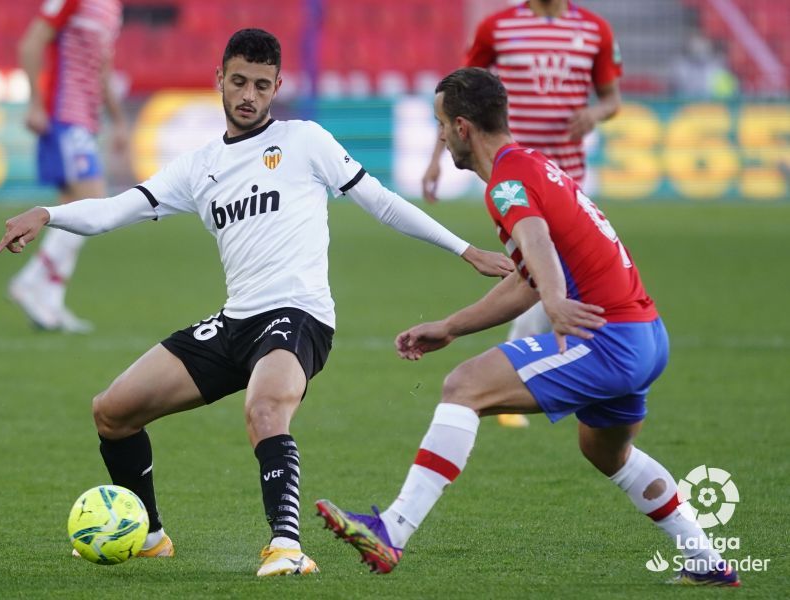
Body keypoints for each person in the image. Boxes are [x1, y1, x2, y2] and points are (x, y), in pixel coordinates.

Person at [0, 30, 514, 577]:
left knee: (265, 408)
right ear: (219, 79)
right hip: (235, 321)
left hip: (299, 317)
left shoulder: (305, 140)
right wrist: (48, 214)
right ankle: (149, 534)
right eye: (239, 81)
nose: (248, 94)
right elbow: (114, 210)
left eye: (261, 85)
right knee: (113, 411)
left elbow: (381, 203)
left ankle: (286, 547)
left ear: (277, 88)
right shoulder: (198, 167)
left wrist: (465, 250)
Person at [315, 68, 739, 587]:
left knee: (463, 386)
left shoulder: (508, 184)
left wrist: (557, 300)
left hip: (606, 338)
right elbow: (527, 280)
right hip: (647, 336)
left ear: (464, 127)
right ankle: (704, 559)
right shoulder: (535, 167)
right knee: (606, 451)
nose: (441, 135)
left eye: (442, 124)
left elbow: (537, 247)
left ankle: (393, 531)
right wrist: (451, 326)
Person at [422, 0, 623, 427]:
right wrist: (437, 158)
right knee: (539, 266)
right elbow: (459, 98)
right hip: (510, 167)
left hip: (563, 172)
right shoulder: (498, 27)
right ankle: (562, 360)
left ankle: (555, 360)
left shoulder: (595, 30)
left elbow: (612, 100)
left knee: (545, 266)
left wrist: (594, 113)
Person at [8, 0, 129, 333]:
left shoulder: (111, 8)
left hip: (85, 122)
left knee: (74, 210)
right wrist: (35, 103)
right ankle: (33, 283)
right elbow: (31, 43)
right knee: (91, 203)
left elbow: (102, 69)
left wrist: (118, 122)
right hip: (63, 116)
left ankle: (48, 297)